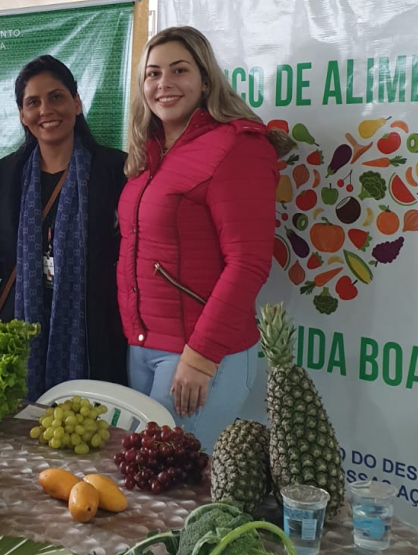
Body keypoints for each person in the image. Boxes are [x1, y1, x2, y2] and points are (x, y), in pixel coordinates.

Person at [117, 27, 296, 451]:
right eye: (153, 74)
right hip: (142, 346)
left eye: (179, 70)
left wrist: (201, 356)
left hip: (197, 354)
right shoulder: (149, 154)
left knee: (176, 494)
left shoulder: (238, 146)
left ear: (206, 78)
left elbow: (248, 263)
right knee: (149, 489)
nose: (164, 84)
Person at [0, 55, 128, 401]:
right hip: (24, 328)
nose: (45, 110)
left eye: (56, 97)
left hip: (95, 331)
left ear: (76, 103)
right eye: (32, 102)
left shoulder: (116, 170)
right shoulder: (6, 175)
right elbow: (1, 256)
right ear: (23, 115)